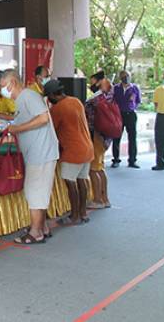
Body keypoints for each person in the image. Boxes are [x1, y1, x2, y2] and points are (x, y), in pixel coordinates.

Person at [0, 69, 59, 244]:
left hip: (41, 152)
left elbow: (43, 118)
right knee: (38, 191)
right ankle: (42, 227)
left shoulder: (29, 96)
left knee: (35, 192)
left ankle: (35, 233)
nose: (2, 90)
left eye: (3, 86)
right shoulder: (21, 100)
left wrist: (17, 128)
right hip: (35, 152)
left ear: (13, 83)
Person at [44, 80, 93, 225]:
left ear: (53, 95)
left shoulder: (58, 109)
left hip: (73, 150)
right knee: (82, 180)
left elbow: (50, 129)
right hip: (87, 147)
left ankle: (74, 216)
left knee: (70, 182)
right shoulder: (76, 101)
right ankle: (83, 213)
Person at [84, 71, 114, 208]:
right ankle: (105, 198)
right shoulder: (109, 97)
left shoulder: (95, 99)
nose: (91, 85)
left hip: (96, 136)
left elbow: (89, 119)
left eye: (93, 82)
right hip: (106, 137)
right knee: (100, 168)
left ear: (100, 81)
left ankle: (97, 200)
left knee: (93, 169)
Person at [111, 70, 141, 169]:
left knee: (132, 137)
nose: (126, 78)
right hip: (119, 114)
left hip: (130, 114)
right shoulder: (116, 88)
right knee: (116, 137)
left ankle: (132, 160)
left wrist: (132, 106)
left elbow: (138, 101)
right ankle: (116, 159)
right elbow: (112, 100)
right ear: (120, 78)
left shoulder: (134, 88)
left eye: (127, 75)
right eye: (123, 76)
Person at [152, 68, 164, 171]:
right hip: (160, 117)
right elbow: (155, 103)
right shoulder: (158, 90)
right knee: (159, 141)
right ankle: (161, 164)